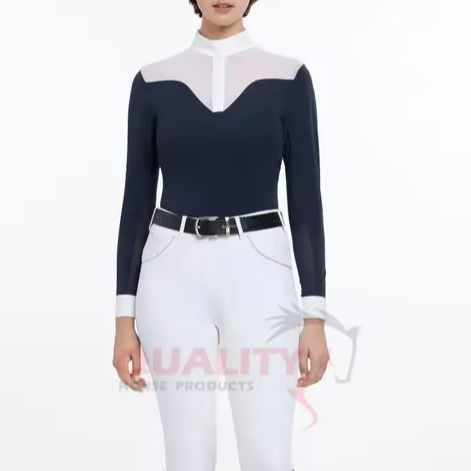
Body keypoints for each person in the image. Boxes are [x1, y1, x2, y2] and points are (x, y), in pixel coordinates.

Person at [112, 1, 330, 469]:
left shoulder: (289, 78)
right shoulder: (152, 81)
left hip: (261, 272)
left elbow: (306, 201)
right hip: (170, 274)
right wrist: (123, 318)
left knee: (267, 453)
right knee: (186, 454)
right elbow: (136, 202)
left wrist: (314, 314)